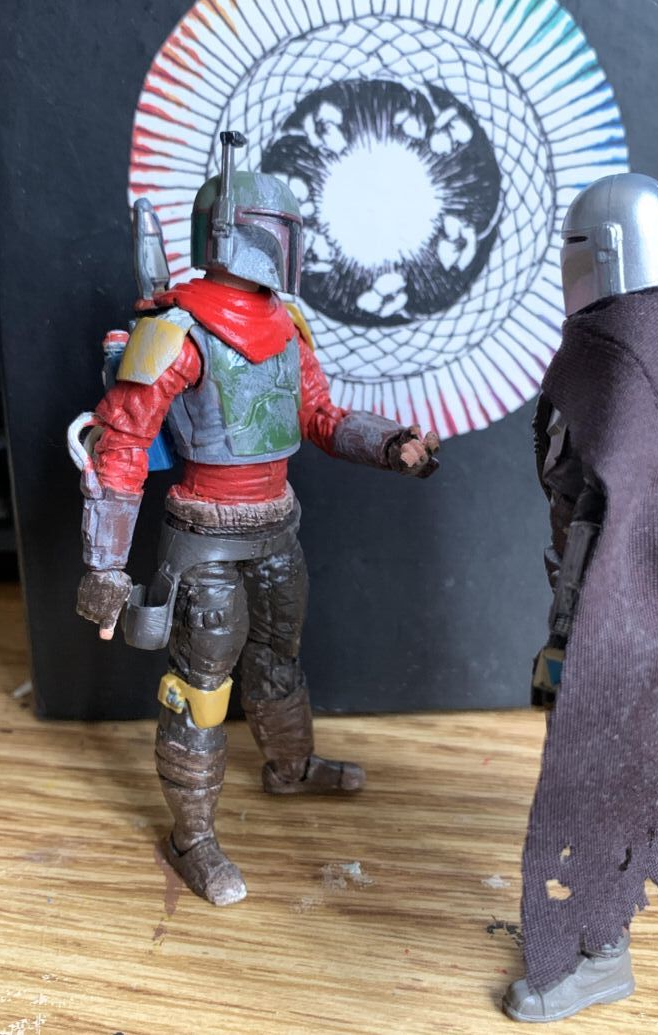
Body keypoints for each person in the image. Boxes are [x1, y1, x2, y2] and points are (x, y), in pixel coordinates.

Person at [71, 131, 438, 906]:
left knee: (277, 659)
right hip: (204, 540)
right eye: (280, 230)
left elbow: (320, 415)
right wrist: (105, 567)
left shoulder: (286, 325)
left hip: (276, 528)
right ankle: (192, 836)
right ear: (241, 233)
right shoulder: (175, 329)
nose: (289, 246)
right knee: (201, 685)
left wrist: (390, 443)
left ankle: (290, 767)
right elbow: (122, 441)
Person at [502, 173, 658, 1022]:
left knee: (602, 779)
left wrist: (608, 626)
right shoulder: (630, 341)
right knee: (596, 770)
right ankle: (599, 925)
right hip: (596, 602)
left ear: (603, 256)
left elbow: (649, 515)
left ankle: (599, 951)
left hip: (627, 619)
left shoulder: (637, 360)